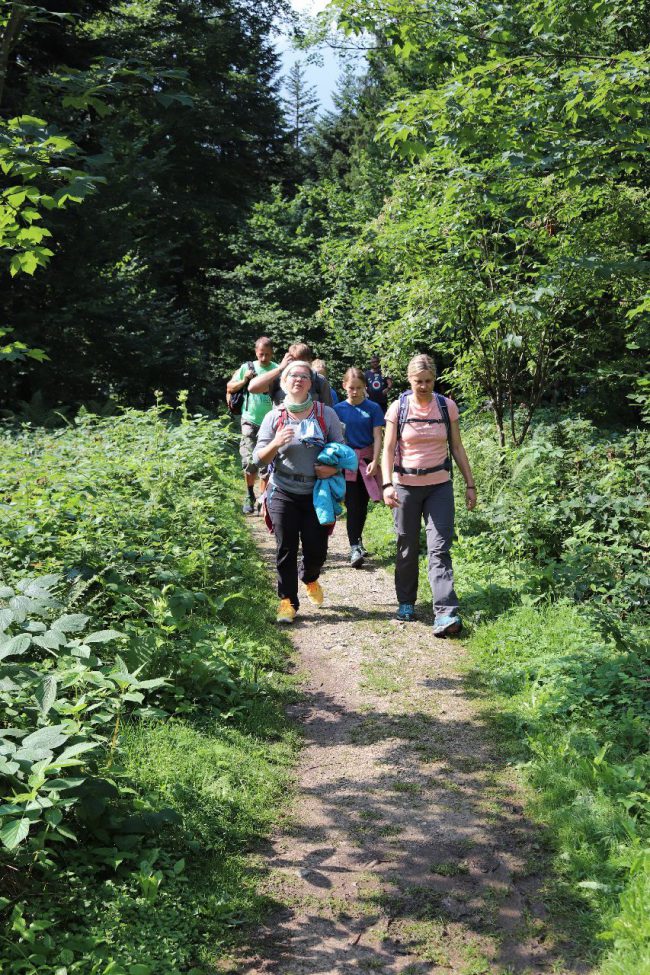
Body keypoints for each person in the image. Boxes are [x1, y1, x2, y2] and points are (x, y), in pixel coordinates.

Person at [380, 353, 477, 636]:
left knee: (439, 549)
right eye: (418, 381)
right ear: (409, 380)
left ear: (434, 380)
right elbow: (388, 449)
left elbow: (457, 447)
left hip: (439, 487)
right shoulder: (398, 408)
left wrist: (470, 484)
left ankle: (445, 613)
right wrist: (387, 485)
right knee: (407, 546)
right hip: (405, 487)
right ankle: (406, 602)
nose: (423, 386)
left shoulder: (446, 407)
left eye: (428, 381)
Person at [254, 361, 344, 624]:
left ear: (311, 383)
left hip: (317, 492)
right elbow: (258, 459)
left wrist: (332, 468)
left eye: (304, 376)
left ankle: (310, 576)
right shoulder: (274, 417)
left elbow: (342, 451)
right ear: (284, 382)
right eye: (293, 375)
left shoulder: (326, 414)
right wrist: (275, 443)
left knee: (317, 550)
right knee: (286, 547)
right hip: (283, 490)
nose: (298, 379)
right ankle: (287, 602)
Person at [334, 367, 385, 568]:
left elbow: (378, 436)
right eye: (351, 388)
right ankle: (354, 547)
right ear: (344, 386)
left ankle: (358, 540)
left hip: (366, 462)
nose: (355, 392)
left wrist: (375, 460)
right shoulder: (337, 410)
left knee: (362, 505)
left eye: (359, 388)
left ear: (365, 387)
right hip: (346, 463)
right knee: (353, 504)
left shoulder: (373, 408)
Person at [226, 336, 278, 514]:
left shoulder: (277, 369)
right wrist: (245, 380)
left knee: (266, 463)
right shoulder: (247, 368)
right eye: (261, 354)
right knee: (249, 460)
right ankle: (249, 495)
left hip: (270, 423)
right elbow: (230, 387)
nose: (264, 358)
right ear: (256, 352)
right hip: (249, 419)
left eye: (267, 354)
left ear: (272, 353)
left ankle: (263, 499)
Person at [248, 343, 334, 407]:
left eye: (302, 362)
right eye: (295, 362)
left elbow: (328, 411)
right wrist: (280, 368)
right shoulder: (279, 379)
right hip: (282, 425)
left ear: (309, 362)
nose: (299, 367)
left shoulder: (319, 380)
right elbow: (252, 388)